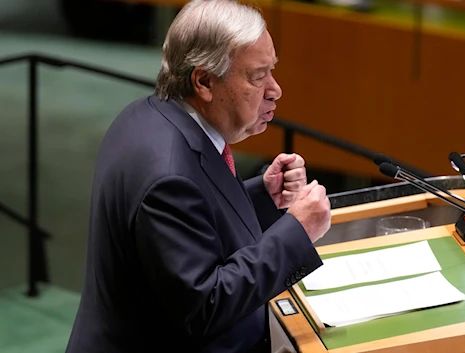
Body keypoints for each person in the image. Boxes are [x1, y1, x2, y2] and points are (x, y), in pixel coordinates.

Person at [65, 1, 331, 352]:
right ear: (204, 81)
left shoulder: (150, 115)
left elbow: (195, 220)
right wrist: (298, 232)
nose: (275, 89)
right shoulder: (169, 176)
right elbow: (205, 305)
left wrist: (263, 197)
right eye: (257, 75)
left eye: (272, 71)